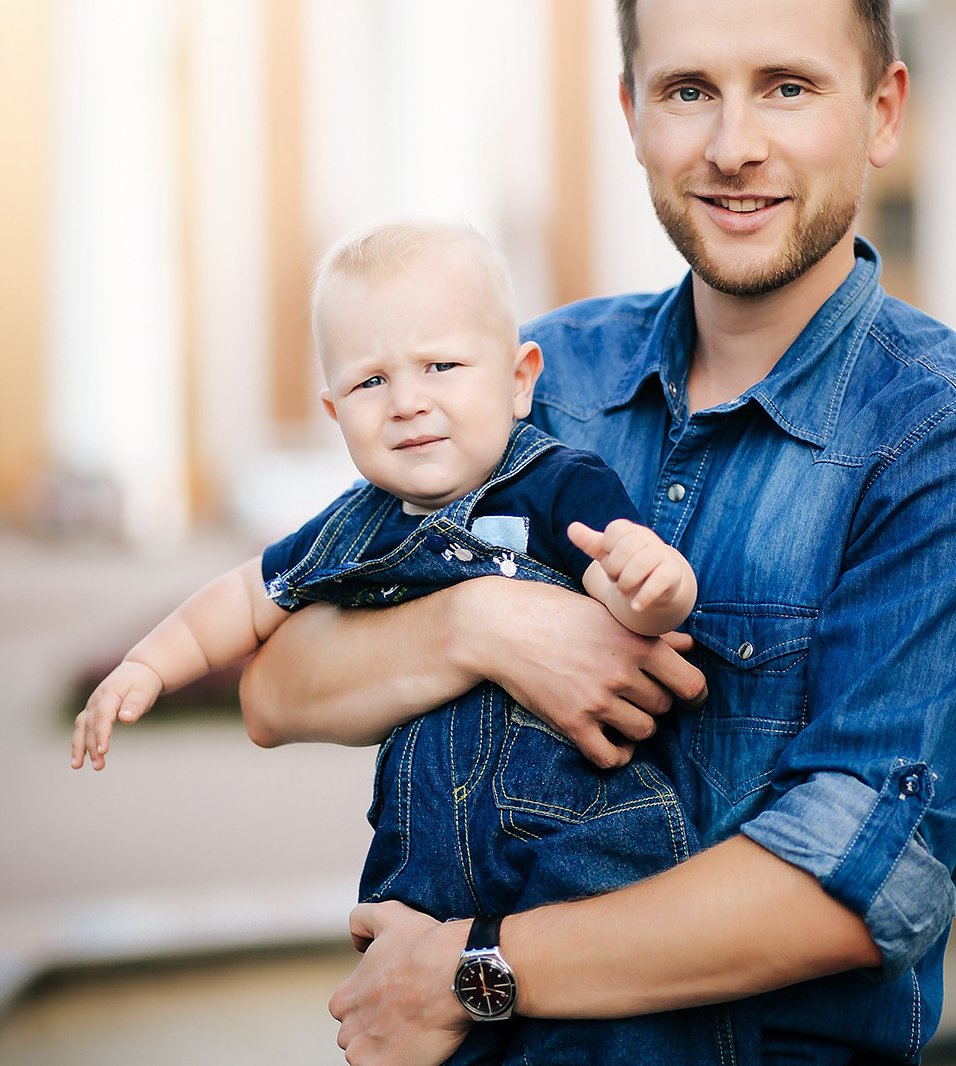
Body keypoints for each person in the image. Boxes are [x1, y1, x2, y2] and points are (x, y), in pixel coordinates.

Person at [237, 0, 956, 1066]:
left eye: (788, 87)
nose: (733, 144)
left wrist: (474, 971)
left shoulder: (949, 446)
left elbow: (857, 884)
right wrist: (483, 625)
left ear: (882, 112)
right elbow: (277, 686)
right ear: (632, 113)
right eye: (688, 89)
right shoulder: (536, 380)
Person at [71, 221, 751, 1062]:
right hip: (424, 868)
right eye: (370, 381)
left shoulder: (554, 483)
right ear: (335, 412)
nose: (407, 401)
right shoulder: (353, 527)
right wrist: (148, 663)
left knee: (600, 1039)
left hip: (577, 846)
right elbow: (246, 599)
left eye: (441, 366)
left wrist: (655, 585)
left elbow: (625, 583)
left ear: (518, 381)